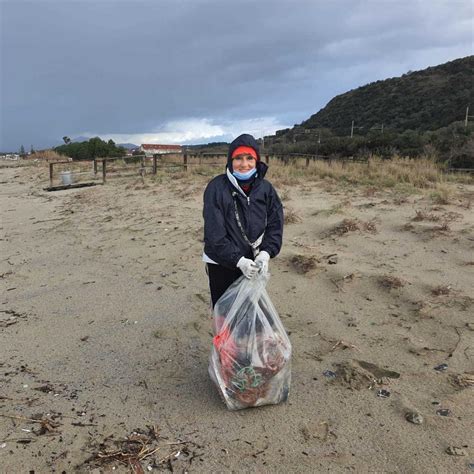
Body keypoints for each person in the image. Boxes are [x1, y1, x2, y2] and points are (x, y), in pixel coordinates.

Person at [202, 133, 284, 309]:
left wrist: (266, 252)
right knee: (225, 311)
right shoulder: (216, 188)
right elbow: (214, 234)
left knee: (250, 310)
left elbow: (275, 223)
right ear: (230, 161)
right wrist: (238, 260)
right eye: (238, 158)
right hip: (221, 262)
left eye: (249, 158)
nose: (244, 164)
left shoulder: (266, 189)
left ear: (257, 161)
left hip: (253, 261)